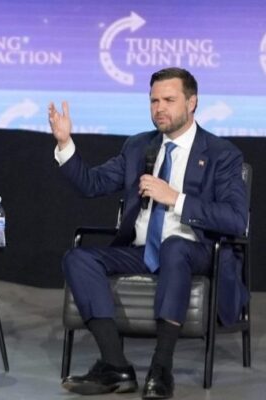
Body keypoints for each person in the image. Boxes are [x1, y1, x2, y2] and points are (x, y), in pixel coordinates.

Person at [48, 67, 248, 399]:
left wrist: (176, 199)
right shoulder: (138, 147)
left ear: (192, 103)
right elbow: (91, 184)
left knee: (174, 246)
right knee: (78, 259)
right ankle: (115, 365)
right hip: (142, 251)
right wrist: (65, 143)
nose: (159, 108)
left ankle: (161, 368)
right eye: (154, 101)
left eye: (169, 100)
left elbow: (235, 219)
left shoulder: (221, 154)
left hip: (197, 250)